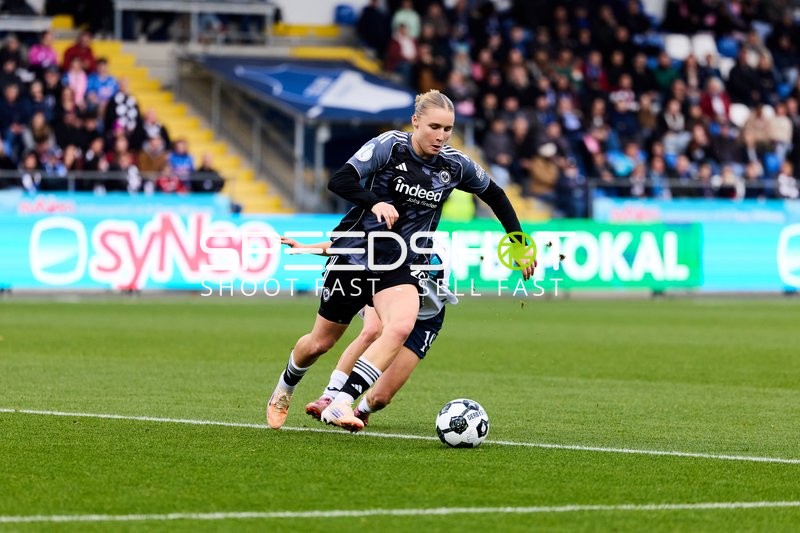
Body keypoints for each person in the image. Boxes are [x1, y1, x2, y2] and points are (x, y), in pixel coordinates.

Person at [265, 89, 535, 433]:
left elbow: (495, 194)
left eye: (448, 129)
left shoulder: (455, 165)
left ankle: (342, 401)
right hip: (357, 253)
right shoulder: (389, 146)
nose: (441, 136)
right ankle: (284, 390)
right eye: (434, 126)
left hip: (402, 263)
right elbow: (340, 180)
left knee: (400, 325)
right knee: (320, 342)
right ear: (416, 122)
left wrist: (518, 242)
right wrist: (373, 201)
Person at [280, 235, 458, 427]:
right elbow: (350, 247)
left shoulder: (433, 255)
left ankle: (361, 411)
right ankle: (330, 397)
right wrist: (306, 248)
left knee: (380, 398)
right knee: (372, 330)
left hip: (425, 320)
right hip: (388, 291)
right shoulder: (397, 241)